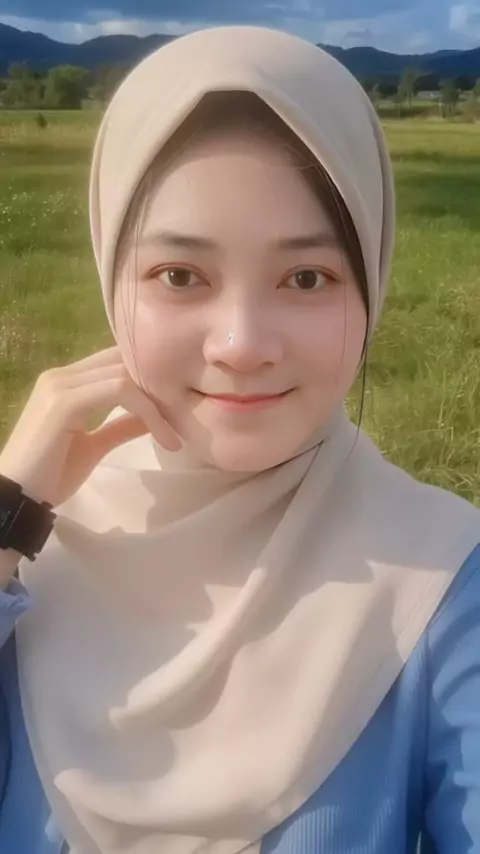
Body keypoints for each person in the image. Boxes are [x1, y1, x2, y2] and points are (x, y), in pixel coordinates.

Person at [0, 25, 479, 854]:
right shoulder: (32, 556)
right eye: (180, 276)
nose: (242, 344)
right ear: (114, 279)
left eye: (307, 277)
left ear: (370, 284)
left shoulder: (442, 582)